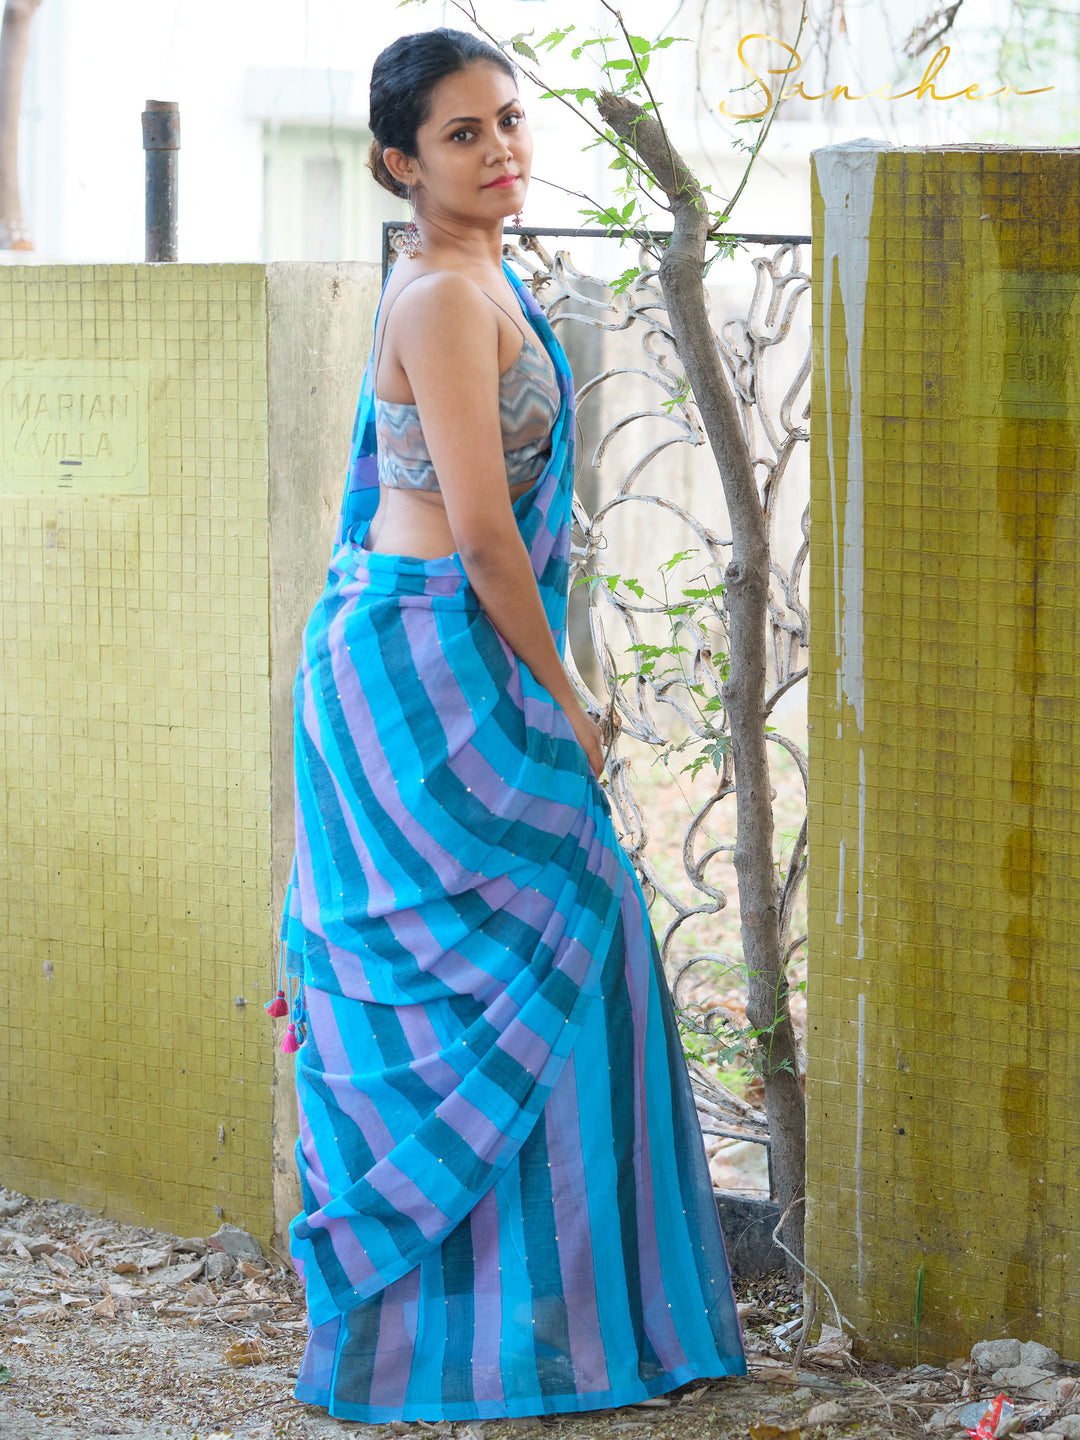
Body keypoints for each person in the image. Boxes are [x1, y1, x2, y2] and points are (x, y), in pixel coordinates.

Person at [272, 26, 747, 1425]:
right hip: (431, 662)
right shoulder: (436, 297)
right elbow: (485, 537)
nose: (501, 151)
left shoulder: (489, 275)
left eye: (510, 122)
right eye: (464, 133)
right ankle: (480, 1342)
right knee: (525, 947)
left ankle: (556, 1332)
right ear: (397, 163)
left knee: (560, 944)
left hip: (452, 645)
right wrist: (574, 701)